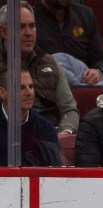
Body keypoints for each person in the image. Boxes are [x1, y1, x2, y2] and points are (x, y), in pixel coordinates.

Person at [0, 2, 79, 136]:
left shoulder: (50, 62)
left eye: (32, 26)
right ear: (4, 32)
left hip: (50, 137)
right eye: (21, 27)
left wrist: (66, 131)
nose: (29, 33)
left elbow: (69, 110)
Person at [34, 0, 103, 85]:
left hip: (85, 84)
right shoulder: (29, 20)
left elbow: (101, 59)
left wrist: (98, 71)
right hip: (49, 86)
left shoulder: (85, 15)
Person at [0, 68, 60, 166]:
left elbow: (54, 174)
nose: (29, 93)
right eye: (21, 88)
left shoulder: (45, 129)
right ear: (2, 93)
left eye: (31, 86)